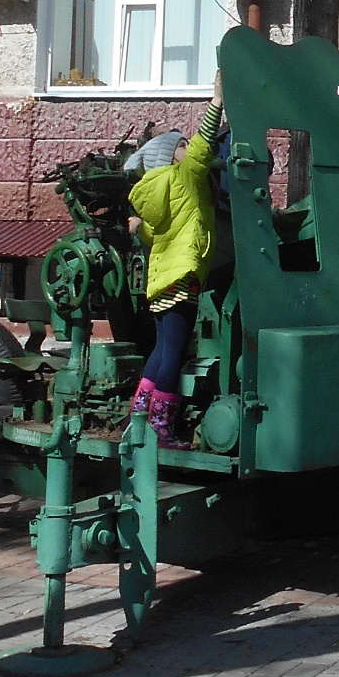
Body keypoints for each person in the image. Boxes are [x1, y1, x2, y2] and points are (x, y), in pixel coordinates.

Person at [124, 98, 224, 448]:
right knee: (176, 354)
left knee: (161, 351)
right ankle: (161, 428)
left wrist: (139, 230)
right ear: (172, 157)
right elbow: (203, 144)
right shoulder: (185, 175)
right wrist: (217, 102)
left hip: (162, 280)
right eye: (180, 145)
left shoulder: (160, 187)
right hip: (183, 277)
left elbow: (160, 234)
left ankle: (137, 420)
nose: (187, 147)